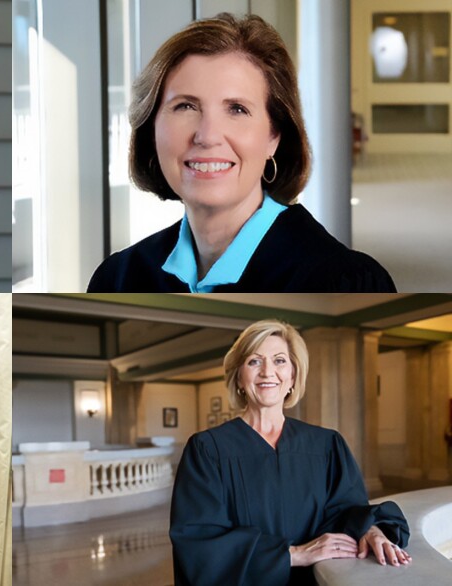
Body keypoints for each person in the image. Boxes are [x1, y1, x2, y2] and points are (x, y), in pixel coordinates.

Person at [87, 14, 395, 293]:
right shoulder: (118, 278)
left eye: (237, 109)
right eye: (185, 106)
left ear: (274, 136)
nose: (207, 135)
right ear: (151, 127)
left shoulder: (344, 282)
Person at [170, 320, 410, 585]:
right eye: (254, 361)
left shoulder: (326, 445)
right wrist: (292, 554)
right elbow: (199, 540)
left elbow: (346, 509)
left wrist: (370, 529)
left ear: (294, 376)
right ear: (238, 377)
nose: (267, 372)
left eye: (280, 360)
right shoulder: (208, 450)